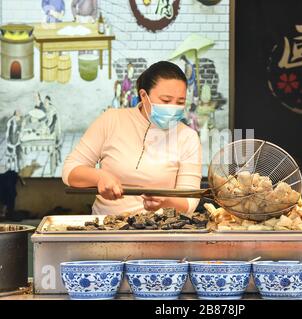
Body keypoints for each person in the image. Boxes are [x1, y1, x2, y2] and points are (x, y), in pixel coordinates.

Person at [62, 61, 202, 215]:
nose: (173, 107)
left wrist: (165, 200)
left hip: (160, 229)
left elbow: (190, 200)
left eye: (180, 102)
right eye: (166, 101)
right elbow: (70, 172)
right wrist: (99, 177)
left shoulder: (188, 137)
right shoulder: (111, 120)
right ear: (143, 95)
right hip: (107, 227)